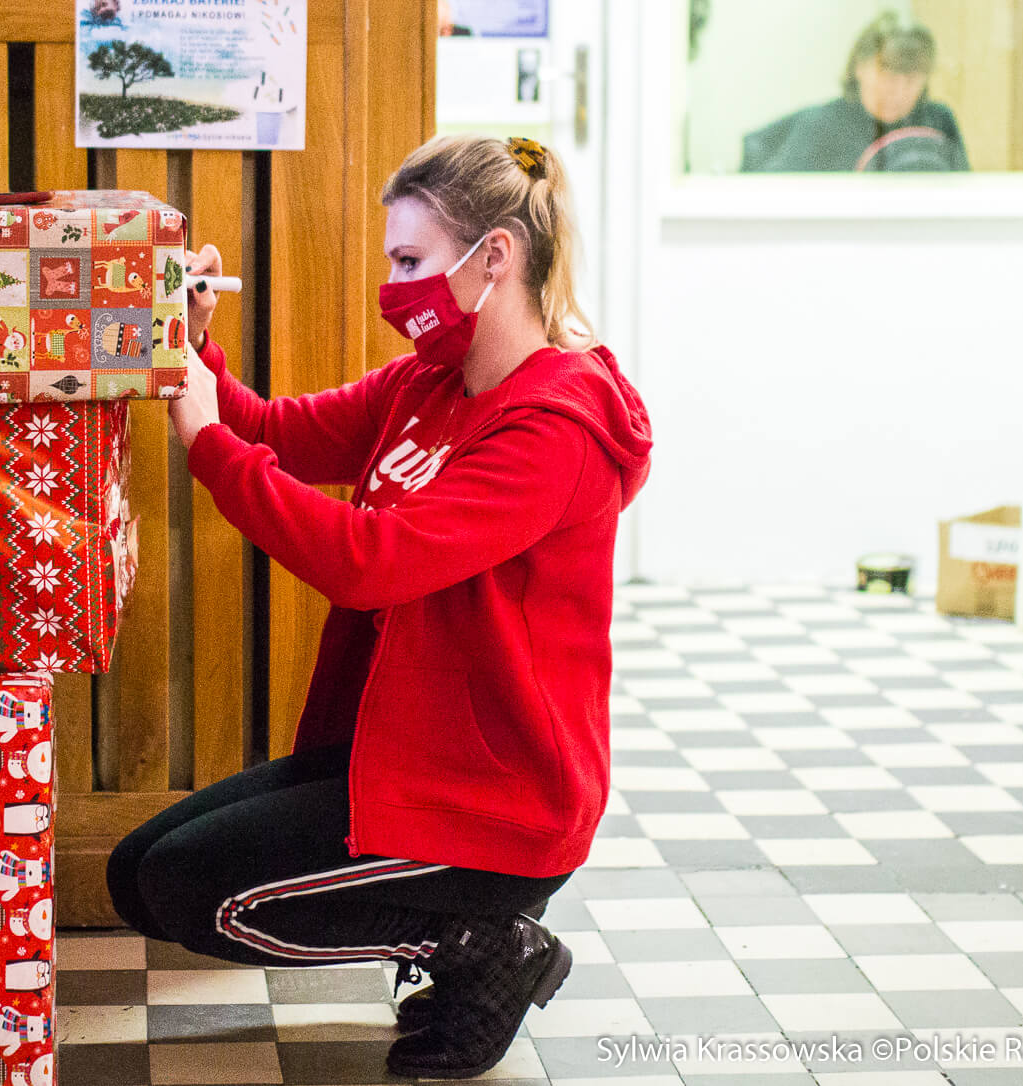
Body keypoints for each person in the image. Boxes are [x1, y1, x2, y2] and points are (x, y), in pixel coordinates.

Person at [106, 134, 653, 1078]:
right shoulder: (430, 383)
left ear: (494, 257)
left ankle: (483, 943)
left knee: (195, 890)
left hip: (500, 795)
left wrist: (207, 444)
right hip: (410, 750)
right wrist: (191, 347)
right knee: (136, 876)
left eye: (410, 261)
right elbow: (275, 430)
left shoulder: (554, 428)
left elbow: (371, 563)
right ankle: (468, 938)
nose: (393, 288)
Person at [741, 11, 968, 173]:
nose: (899, 92)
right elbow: (776, 202)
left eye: (911, 80)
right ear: (860, 67)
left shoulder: (939, 121)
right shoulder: (820, 126)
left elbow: (962, 196)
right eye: (888, 76)